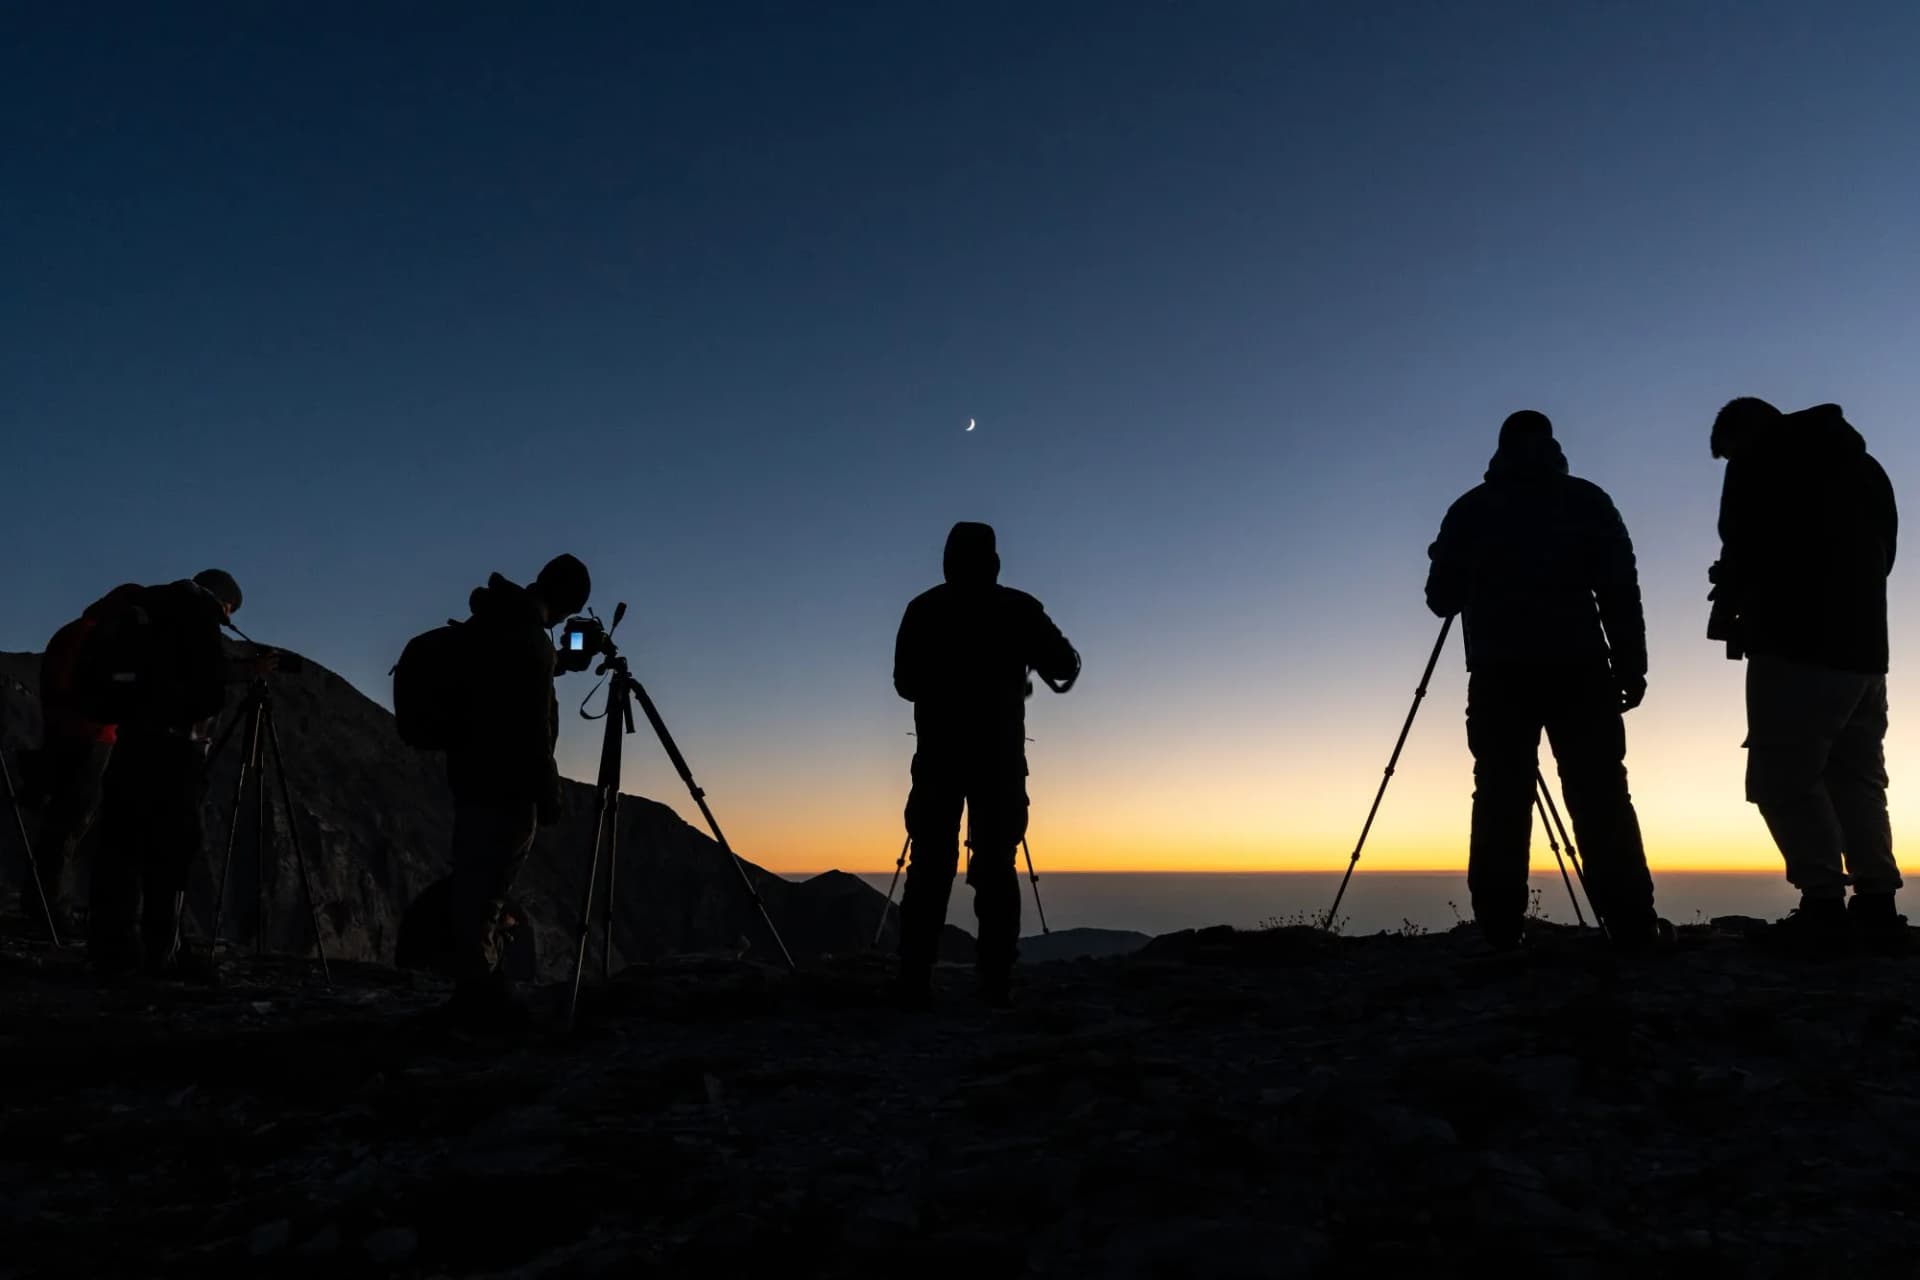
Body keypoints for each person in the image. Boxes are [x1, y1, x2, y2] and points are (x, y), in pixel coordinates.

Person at [1426, 411, 1666, 950]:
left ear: (1500, 450)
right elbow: (1619, 589)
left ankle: (1499, 932)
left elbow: (1441, 599)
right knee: (1601, 794)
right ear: (1553, 447)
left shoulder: (1471, 509)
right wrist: (1632, 664)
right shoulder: (1587, 500)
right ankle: (1633, 928)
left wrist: (1459, 563)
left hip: (1498, 673)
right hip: (1580, 670)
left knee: (1499, 797)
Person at [1708, 398, 1902, 951]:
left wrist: (1742, 588)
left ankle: (1822, 904)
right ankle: (1877, 903)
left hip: (1796, 648)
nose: (1730, 467)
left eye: (1729, 456)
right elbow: (1882, 555)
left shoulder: (1762, 463)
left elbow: (1744, 545)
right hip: (1866, 651)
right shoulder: (1865, 468)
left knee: (1783, 776)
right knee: (1856, 775)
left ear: (1744, 436)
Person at [893, 522, 1080, 1007]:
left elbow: (904, 683)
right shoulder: (1019, 609)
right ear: (995, 563)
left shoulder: (923, 609)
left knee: (930, 863)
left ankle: (914, 978)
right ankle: (995, 980)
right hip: (998, 757)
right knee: (996, 864)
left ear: (946, 562)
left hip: (938, 756)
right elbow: (1064, 665)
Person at [441, 553, 591, 1029]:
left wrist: (556, 665)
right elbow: (532, 729)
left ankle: (475, 987)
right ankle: (479, 999)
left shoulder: (496, 622)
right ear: (567, 604)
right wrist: (549, 794)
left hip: (470, 772)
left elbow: (505, 683)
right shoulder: (528, 640)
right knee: (488, 888)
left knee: (473, 880)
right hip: (506, 784)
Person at [87, 569, 246, 976]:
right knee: (170, 852)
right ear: (223, 602)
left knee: (120, 847)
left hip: (129, 743)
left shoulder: (147, 608)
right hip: (175, 751)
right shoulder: (199, 618)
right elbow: (208, 691)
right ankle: (161, 954)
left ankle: (111, 952)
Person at [17, 582, 145, 934]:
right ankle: (51, 910)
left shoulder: (76, 633)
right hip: (87, 737)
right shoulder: (90, 638)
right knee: (70, 823)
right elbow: (82, 686)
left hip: (76, 734)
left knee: (66, 824)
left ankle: (45, 904)